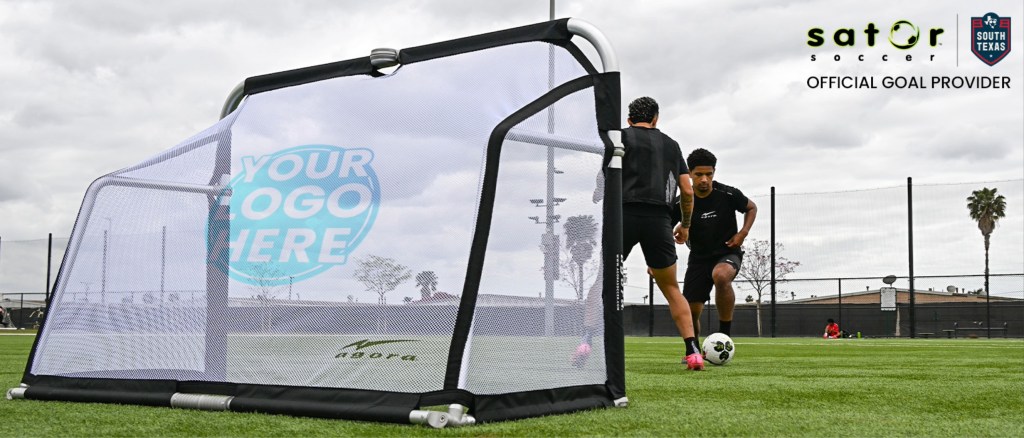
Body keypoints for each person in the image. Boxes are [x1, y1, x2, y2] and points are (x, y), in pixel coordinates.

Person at [600, 96, 704, 370]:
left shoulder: (619, 137)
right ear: (656, 118)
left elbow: (603, 177)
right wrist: (685, 225)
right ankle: (693, 351)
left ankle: (587, 342)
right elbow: (688, 190)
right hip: (658, 219)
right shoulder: (671, 144)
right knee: (671, 288)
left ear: (629, 120)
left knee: (601, 281)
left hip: (622, 216)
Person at [673, 148, 757, 340]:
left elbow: (751, 208)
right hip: (698, 259)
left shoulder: (727, 193)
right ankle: (693, 348)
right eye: (699, 174)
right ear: (689, 174)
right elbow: (664, 227)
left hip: (727, 252)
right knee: (692, 311)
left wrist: (742, 233)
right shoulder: (681, 202)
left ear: (714, 172)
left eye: (709, 174)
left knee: (721, 275)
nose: (704, 179)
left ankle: (724, 336)